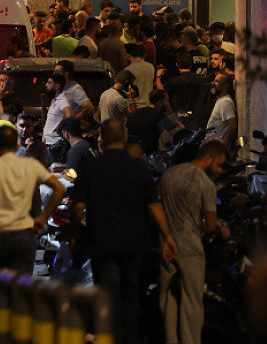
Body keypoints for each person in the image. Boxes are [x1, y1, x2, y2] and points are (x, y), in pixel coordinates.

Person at [70, 120, 177, 344]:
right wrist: (167, 236)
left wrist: (74, 235)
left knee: (107, 300)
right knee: (129, 299)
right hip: (136, 246)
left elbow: (78, 206)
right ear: (125, 139)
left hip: (104, 245)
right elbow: (154, 205)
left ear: (101, 140)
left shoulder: (91, 166)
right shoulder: (139, 167)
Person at [159, 141, 230, 344]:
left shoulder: (170, 174)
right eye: (218, 165)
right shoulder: (205, 184)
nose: (218, 171)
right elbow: (209, 225)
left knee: (168, 299)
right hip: (190, 247)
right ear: (208, 158)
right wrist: (221, 229)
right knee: (192, 301)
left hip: (166, 244)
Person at [0, 126, 64, 273]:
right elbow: (59, 188)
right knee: (21, 284)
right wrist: (43, 218)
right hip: (22, 235)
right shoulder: (31, 165)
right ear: (17, 146)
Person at [126, 90, 180, 155]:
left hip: (131, 152)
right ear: (160, 102)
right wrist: (170, 112)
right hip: (150, 155)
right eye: (167, 100)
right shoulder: (159, 116)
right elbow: (178, 132)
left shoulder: (137, 112)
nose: (168, 103)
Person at [43, 73, 72, 157]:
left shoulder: (62, 101)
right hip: (49, 143)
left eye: (49, 83)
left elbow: (69, 115)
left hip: (54, 144)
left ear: (57, 86)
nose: (46, 85)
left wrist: (59, 127)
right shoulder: (54, 101)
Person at [206, 73, 237, 148]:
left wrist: (224, 147)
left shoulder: (225, 102)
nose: (213, 83)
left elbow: (232, 125)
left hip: (218, 149)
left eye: (217, 81)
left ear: (226, 86)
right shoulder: (220, 100)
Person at [123, 44, 155, 109]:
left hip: (135, 106)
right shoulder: (150, 67)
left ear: (128, 54)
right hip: (149, 104)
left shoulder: (128, 70)